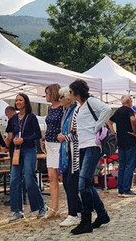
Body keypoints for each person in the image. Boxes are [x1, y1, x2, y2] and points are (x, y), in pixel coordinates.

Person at [69, 79, 112, 235]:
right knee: (87, 183)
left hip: (92, 145)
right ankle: (102, 214)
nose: (70, 94)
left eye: (71, 91)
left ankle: (86, 220)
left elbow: (107, 109)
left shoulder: (90, 101)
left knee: (83, 183)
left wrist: (97, 126)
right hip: (84, 145)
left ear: (76, 91)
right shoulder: (80, 107)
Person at [8, 93, 48, 222]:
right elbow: (10, 134)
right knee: (14, 179)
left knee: (29, 177)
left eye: (20, 100)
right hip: (16, 151)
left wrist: (23, 139)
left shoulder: (31, 117)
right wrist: (13, 140)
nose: (18, 102)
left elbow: (37, 134)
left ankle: (41, 206)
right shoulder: (13, 119)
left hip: (29, 149)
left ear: (26, 102)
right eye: (16, 100)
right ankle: (17, 210)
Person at [57, 87, 82, 227]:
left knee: (71, 183)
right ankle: (77, 210)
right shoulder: (66, 112)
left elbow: (77, 133)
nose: (59, 99)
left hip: (74, 151)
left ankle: (74, 213)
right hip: (67, 151)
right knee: (68, 182)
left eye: (61, 97)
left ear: (68, 98)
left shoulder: (75, 112)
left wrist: (64, 137)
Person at [107, 95, 136, 197]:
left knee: (122, 165)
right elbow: (133, 120)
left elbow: (109, 121)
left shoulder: (118, 111)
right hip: (130, 139)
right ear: (129, 101)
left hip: (121, 140)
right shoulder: (129, 110)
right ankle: (126, 189)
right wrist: (135, 131)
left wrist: (113, 132)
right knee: (130, 164)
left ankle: (120, 189)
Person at [44, 83, 63, 218]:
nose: (46, 96)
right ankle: (54, 207)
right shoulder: (50, 108)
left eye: (47, 93)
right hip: (49, 143)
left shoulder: (62, 108)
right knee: (51, 176)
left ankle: (74, 205)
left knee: (61, 175)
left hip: (58, 144)